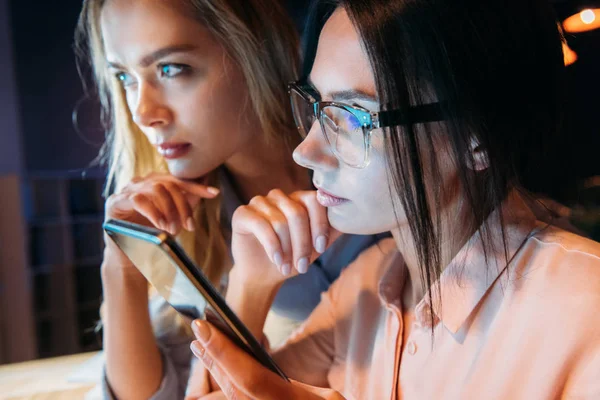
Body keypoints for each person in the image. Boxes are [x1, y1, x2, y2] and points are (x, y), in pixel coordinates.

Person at [188, 0, 600, 398]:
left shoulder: (583, 311)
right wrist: (250, 282)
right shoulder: (365, 289)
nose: (305, 151)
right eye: (316, 106)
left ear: (479, 137)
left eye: (351, 116)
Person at [74, 0, 382, 399]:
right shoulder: (184, 219)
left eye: (171, 69)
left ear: (254, 52)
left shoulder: (382, 176)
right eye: (124, 77)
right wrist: (122, 265)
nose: (143, 112)